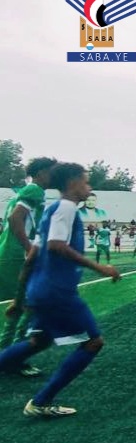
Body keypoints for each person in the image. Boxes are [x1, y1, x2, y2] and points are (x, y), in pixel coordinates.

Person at [0, 162, 121, 417]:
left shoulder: (51, 211)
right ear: (72, 182)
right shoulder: (65, 208)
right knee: (93, 342)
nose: (89, 187)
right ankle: (41, 402)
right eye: (86, 181)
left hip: (41, 291)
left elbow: (33, 256)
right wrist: (100, 268)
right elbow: (56, 246)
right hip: (58, 292)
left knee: (38, 340)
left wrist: (21, 298)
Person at [0, 157, 58, 378]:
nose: (55, 176)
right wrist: (28, 248)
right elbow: (17, 219)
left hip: (9, 253)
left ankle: (8, 356)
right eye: (52, 172)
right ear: (41, 172)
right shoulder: (34, 190)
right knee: (28, 306)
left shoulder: (23, 193)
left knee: (18, 307)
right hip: (18, 255)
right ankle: (13, 358)